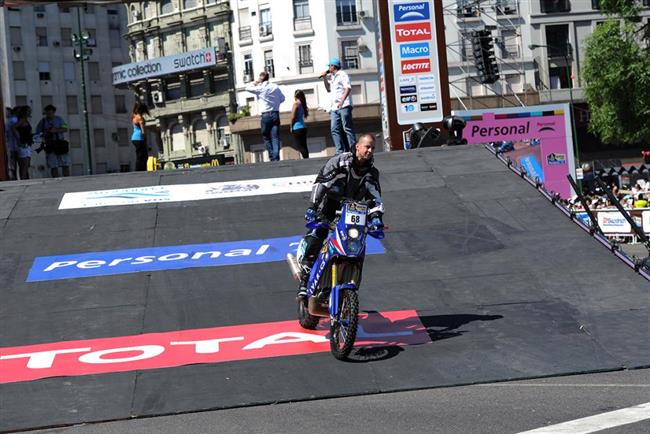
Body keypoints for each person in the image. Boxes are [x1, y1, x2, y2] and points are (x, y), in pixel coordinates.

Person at [296, 133, 384, 299]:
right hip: (330, 206)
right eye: (367, 146)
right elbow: (321, 183)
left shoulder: (372, 173)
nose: (370, 150)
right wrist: (312, 207)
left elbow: (374, 198)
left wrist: (377, 218)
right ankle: (305, 279)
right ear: (358, 146)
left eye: (373, 147)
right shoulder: (339, 162)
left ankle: (347, 284)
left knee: (357, 246)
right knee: (318, 234)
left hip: (354, 212)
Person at [245, 71, 285, 161]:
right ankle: (276, 157)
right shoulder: (275, 87)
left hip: (265, 115)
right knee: (275, 137)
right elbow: (282, 99)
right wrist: (275, 103)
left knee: (266, 136)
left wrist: (256, 82)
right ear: (268, 78)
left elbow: (247, 88)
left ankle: (272, 157)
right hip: (275, 113)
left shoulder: (260, 88)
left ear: (261, 78)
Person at [321, 57, 356, 154]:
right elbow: (328, 89)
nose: (328, 68)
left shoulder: (342, 74)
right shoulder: (332, 77)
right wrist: (324, 78)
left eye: (329, 66)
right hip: (334, 107)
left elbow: (347, 88)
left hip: (344, 105)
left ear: (333, 66)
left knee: (347, 128)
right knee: (334, 129)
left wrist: (342, 100)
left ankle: (353, 149)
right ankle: (339, 151)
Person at [35, 105, 70, 177]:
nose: (48, 115)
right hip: (49, 145)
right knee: (53, 165)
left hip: (60, 144)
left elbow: (65, 129)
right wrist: (44, 133)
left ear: (54, 112)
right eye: (47, 113)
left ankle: (67, 180)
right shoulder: (43, 122)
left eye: (50, 113)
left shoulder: (59, 119)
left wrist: (56, 130)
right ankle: (55, 181)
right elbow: (37, 133)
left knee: (65, 164)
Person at [12, 106, 33, 180]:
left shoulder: (26, 120)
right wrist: (18, 139)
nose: (30, 112)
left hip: (27, 145)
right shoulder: (22, 120)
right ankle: (23, 180)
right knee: (24, 165)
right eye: (28, 111)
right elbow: (14, 127)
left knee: (26, 165)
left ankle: (25, 179)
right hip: (23, 145)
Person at [290, 89, 309, 159]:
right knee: (304, 145)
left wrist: (291, 126)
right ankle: (307, 159)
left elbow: (293, 117)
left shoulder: (296, 104)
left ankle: (305, 160)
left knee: (299, 146)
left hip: (297, 127)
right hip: (303, 127)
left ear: (295, 96)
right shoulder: (302, 104)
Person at [131, 102, 150, 171]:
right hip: (139, 138)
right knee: (143, 156)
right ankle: (140, 170)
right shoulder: (140, 118)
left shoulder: (134, 116)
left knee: (139, 155)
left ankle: (139, 169)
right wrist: (145, 140)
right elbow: (143, 131)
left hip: (134, 138)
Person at [5, 106, 18, 180]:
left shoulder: (9, 121)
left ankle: (14, 177)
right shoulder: (15, 120)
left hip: (11, 146)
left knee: (13, 164)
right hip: (16, 145)